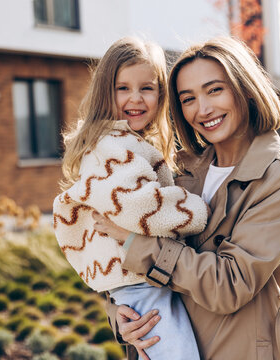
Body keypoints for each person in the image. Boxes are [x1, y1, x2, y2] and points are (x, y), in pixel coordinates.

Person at [94, 36, 280, 360]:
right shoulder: (176, 168)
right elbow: (121, 266)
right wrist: (120, 316)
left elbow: (230, 284)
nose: (203, 109)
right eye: (188, 98)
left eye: (215, 90)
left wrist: (135, 244)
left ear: (245, 88)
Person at [52, 37, 206, 360]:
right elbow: (139, 206)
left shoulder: (128, 140)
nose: (135, 99)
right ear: (106, 92)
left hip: (144, 284)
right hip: (141, 288)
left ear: (161, 95)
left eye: (146, 88)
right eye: (123, 88)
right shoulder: (112, 145)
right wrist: (196, 209)